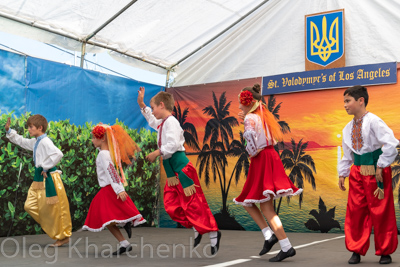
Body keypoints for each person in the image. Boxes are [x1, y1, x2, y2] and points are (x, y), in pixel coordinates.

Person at [137, 87, 221, 255]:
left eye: (153, 108)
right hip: (173, 173)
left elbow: (173, 145)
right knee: (172, 205)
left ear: (162, 105)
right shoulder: (162, 123)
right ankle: (197, 227)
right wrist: (142, 105)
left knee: (195, 204)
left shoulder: (172, 122)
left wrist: (156, 152)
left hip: (183, 171)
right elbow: (152, 121)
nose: (152, 112)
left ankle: (213, 233)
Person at [233, 84, 302, 262]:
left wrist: (251, 152)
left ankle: (283, 244)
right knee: (250, 201)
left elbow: (250, 137)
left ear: (249, 102)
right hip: (270, 156)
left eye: (241, 101)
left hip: (261, 158)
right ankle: (270, 236)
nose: (239, 106)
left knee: (262, 205)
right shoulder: (262, 115)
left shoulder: (250, 117)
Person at [338, 85, 398, 265]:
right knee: (355, 211)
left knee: (381, 211)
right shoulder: (347, 128)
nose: (345, 105)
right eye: (344, 102)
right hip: (357, 173)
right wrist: (343, 173)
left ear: (360, 100)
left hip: (375, 171)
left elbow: (391, 144)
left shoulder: (374, 121)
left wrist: (380, 165)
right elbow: (347, 153)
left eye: (348, 101)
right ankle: (356, 249)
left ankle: (385, 251)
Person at [5, 115, 72, 247]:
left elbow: (58, 154)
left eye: (31, 127)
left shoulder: (45, 141)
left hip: (48, 178)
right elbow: (22, 141)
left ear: (40, 128)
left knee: (54, 209)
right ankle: (52, 227)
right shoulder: (36, 141)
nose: (28, 129)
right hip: (39, 179)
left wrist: (46, 167)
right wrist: (9, 131)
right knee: (29, 206)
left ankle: (62, 236)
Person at [82, 123, 146, 255]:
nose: (92, 140)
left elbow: (111, 172)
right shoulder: (105, 153)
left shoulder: (103, 155)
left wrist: (119, 189)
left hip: (109, 190)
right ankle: (124, 241)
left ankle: (125, 226)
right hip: (109, 189)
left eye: (94, 138)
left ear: (102, 139)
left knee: (106, 217)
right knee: (107, 219)